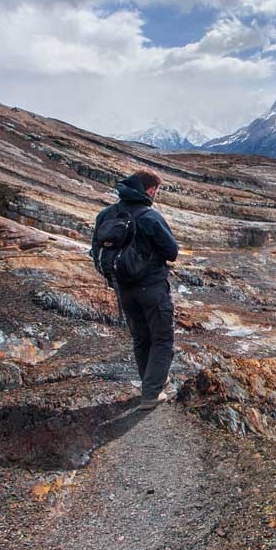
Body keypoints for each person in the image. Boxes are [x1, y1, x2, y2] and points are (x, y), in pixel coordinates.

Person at [92, 170, 179, 410]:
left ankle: (152, 380)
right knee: (162, 338)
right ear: (150, 190)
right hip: (152, 287)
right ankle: (152, 393)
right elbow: (171, 251)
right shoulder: (149, 217)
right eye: (156, 191)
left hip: (123, 288)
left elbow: (95, 251)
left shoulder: (106, 214)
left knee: (141, 338)